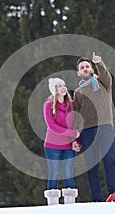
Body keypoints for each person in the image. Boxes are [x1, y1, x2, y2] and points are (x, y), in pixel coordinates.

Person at [73, 52, 115, 202]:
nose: (85, 69)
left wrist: (99, 63)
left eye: (87, 66)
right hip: (87, 131)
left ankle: (113, 193)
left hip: (105, 127)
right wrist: (76, 138)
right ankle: (96, 199)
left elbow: (106, 75)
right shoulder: (78, 92)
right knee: (91, 166)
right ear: (79, 73)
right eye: (82, 67)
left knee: (109, 160)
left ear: (92, 70)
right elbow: (77, 116)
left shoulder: (102, 82)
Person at [43, 77, 81, 205]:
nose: (63, 88)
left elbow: (77, 124)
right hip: (52, 146)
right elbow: (52, 126)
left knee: (68, 172)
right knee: (54, 173)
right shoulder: (48, 105)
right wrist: (71, 133)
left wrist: (77, 141)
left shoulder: (72, 105)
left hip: (69, 146)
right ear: (54, 90)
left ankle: (70, 205)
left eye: (64, 85)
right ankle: (53, 205)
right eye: (59, 86)